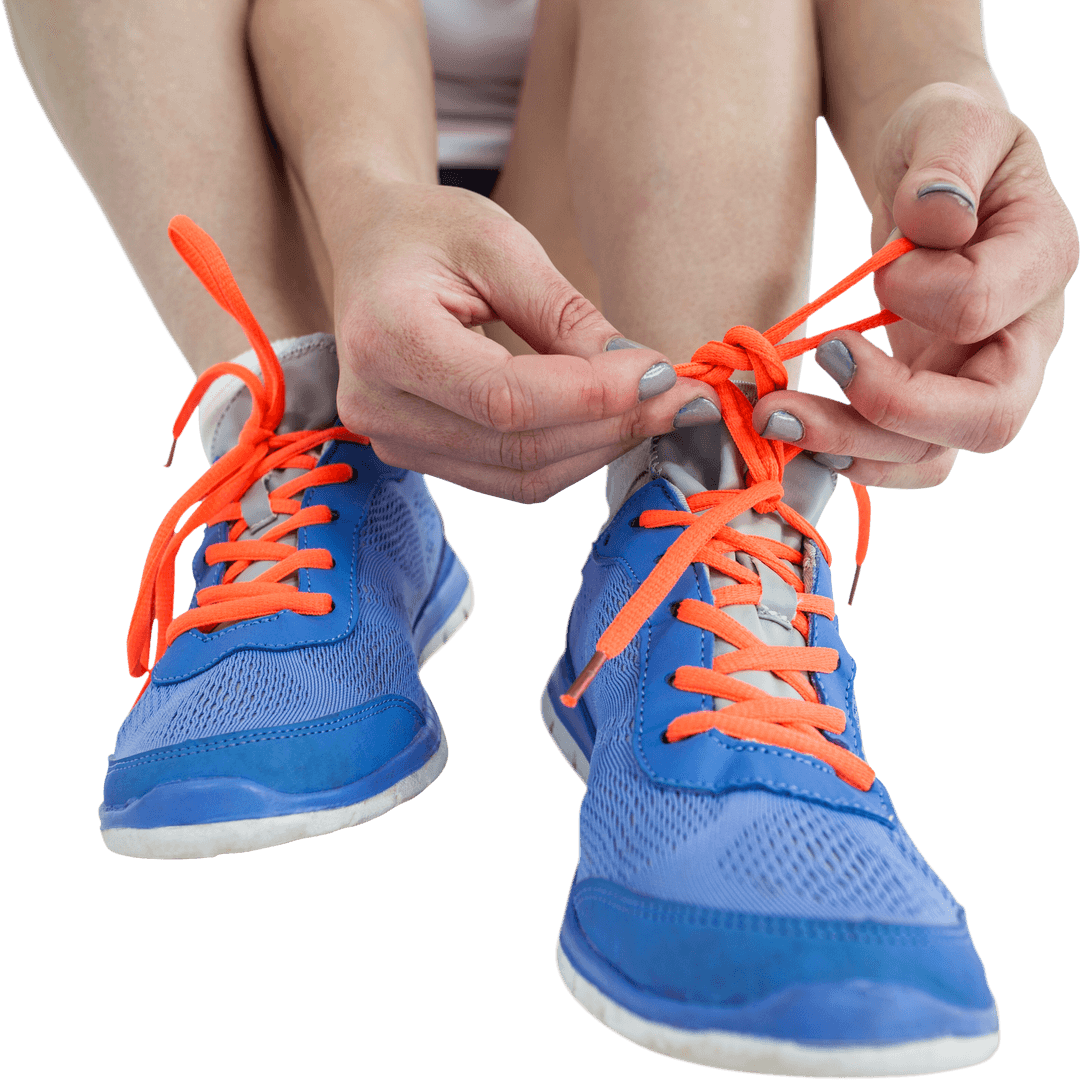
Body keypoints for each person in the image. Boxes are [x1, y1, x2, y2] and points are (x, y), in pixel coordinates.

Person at [5, 1, 1075, 1076]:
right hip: (286, 160)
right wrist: (371, 201)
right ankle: (313, 423)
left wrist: (943, 101)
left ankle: (697, 536)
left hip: (636, 176)